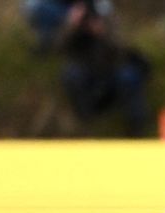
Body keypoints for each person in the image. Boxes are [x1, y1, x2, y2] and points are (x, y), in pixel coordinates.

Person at [58, 0, 150, 136]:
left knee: (129, 76)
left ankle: (136, 126)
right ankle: (86, 121)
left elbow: (122, 48)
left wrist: (102, 33)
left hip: (112, 68)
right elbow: (60, 46)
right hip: (87, 70)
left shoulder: (108, 14)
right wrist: (72, 25)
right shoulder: (76, 16)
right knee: (71, 74)